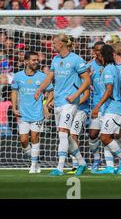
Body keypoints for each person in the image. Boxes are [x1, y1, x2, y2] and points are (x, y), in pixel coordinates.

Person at [34, 34, 91, 176]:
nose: (52, 46)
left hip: (70, 103)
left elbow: (87, 80)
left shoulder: (76, 60)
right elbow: (49, 78)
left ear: (61, 44)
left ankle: (60, 168)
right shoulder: (56, 60)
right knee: (68, 137)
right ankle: (82, 163)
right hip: (58, 102)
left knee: (62, 133)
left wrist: (76, 95)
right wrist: (40, 90)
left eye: (54, 43)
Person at [11, 51, 53, 174]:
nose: (36, 62)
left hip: (37, 113)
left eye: (37, 60)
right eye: (33, 60)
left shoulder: (42, 76)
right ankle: (35, 160)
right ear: (26, 61)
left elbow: (51, 91)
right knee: (23, 141)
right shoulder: (18, 76)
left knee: (35, 137)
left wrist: (45, 105)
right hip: (23, 114)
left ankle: (33, 166)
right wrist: (14, 108)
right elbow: (14, 92)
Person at [91, 45, 121, 174]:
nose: (98, 56)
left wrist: (97, 106)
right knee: (106, 137)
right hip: (110, 108)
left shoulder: (108, 70)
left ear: (103, 56)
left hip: (113, 108)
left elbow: (109, 90)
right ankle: (110, 167)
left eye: (100, 54)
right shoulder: (113, 69)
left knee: (105, 137)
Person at [86, 41, 106, 173]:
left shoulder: (111, 64)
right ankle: (96, 158)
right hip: (96, 105)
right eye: (97, 50)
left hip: (111, 105)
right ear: (94, 51)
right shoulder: (89, 66)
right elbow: (83, 85)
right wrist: (88, 78)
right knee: (93, 135)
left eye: (102, 50)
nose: (99, 52)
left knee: (110, 135)